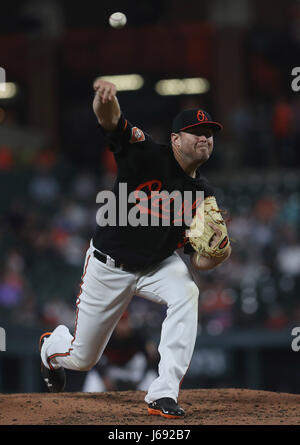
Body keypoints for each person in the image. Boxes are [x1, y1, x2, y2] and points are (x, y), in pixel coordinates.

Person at [39, 79, 231, 419]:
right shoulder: (147, 155)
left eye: (209, 133)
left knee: (187, 291)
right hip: (109, 266)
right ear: (175, 139)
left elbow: (198, 260)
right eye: (195, 131)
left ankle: (163, 393)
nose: (204, 137)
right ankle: (50, 347)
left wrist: (217, 256)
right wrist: (104, 100)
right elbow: (110, 121)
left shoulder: (202, 195)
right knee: (82, 359)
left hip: (157, 265)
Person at [82, 310, 159, 393]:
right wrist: (103, 377)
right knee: (93, 377)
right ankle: (88, 404)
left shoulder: (138, 336)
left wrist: (141, 379)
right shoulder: (105, 338)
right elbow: (94, 361)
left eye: (125, 321)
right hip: (113, 371)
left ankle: (153, 402)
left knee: (151, 377)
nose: (122, 326)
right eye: (119, 322)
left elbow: (151, 360)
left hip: (133, 372)